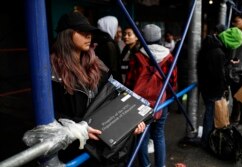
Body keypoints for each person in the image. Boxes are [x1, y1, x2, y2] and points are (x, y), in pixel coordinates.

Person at [50, 12, 145, 166]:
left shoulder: (96, 64)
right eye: (82, 32)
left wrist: (130, 120)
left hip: (102, 146)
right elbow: (47, 115)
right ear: (66, 35)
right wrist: (78, 128)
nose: (89, 36)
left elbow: (113, 98)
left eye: (90, 33)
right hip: (76, 150)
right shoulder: (51, 70)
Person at [125, 24, 177, 167]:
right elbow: (173, 82)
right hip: (161, 102)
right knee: (159, 135)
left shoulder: (137, 56)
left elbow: (130, 82)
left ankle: (145, 165)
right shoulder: (169, 56)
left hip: (140, 104)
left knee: (142, 136)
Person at [197, 27, 242, 149]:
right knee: (210, 114)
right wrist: (225, 85)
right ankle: (206, 142)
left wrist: (228, 62)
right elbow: (218, 74)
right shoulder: (217, 53)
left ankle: (208, 138)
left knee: (210, 112)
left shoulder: (213, 43)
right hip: (212, 88)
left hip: (206, 85)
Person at [228, 13, 242, 131]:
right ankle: (234, 118)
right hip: (234, 72)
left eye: (237, 21)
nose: (234, 24)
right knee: (236, 98)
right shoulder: (237, 34)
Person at [94, 15, 122, 82]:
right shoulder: (109, 44)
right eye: (115, 26)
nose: (116, 29)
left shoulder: (99, 41)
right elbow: (113, 68)